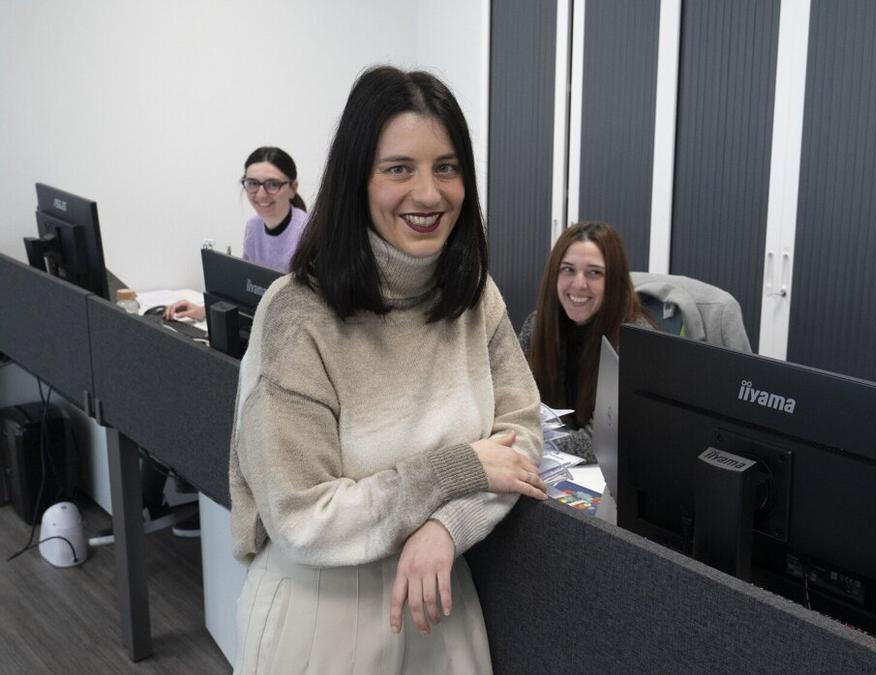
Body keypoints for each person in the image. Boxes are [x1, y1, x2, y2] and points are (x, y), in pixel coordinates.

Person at [228, 66, 546, 673]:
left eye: (446, 168)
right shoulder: (298, 316)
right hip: (325, 614)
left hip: (442, 601)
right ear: (357, 178)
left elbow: (521, 443)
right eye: (399, 168)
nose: (428, 194)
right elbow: (302, 517)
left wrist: (449, 526)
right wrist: (460, 469)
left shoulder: (476, 298)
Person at [518, 221, 655, 463]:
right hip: (552, 467)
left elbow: (601, 441)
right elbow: (511, 402)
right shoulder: (537, 325)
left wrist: (530, 437)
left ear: (614, 280)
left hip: (610, 477)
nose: (579, 284)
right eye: (568, 269)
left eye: (594, 273)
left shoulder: (634, 339)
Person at [164, 146, 309, 320]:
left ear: (293, 188)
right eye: (253, 183)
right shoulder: (253, 227)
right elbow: (246, 292)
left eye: (272, 184)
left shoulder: (309, 233)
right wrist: (206, 310)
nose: (261, 194)